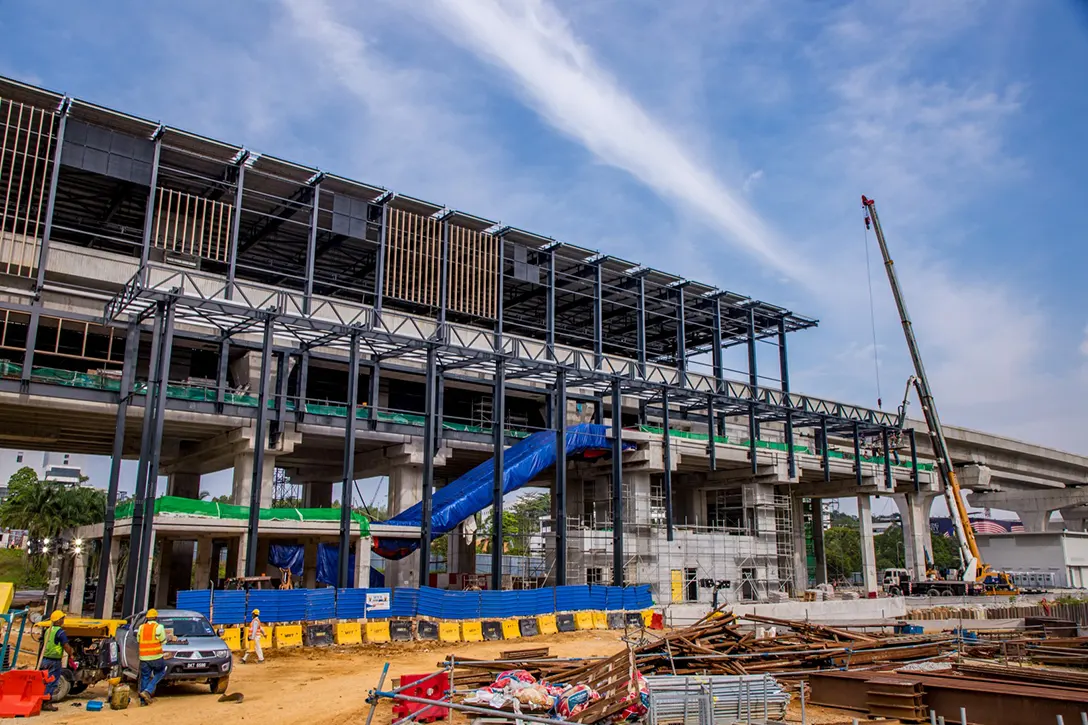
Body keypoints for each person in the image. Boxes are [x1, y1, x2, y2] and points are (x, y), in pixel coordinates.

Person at [41, 610, 76, 712]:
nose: (63, 620)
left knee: (44, 681)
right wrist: (71, 653)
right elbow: (65, 645)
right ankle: (46, 703)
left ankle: (42, 700)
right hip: (54, 661)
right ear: (59, 620)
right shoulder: (60, 632)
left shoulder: (48, 630)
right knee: (52, 682)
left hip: (45, 659)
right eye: (62, 619)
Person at [137, 608, 167, 706]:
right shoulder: (159, 627)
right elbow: (163, 641)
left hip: (144, 657)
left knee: (145, 677)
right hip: (156, 656)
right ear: (156, 618)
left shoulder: (141, 627)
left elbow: (138, 639)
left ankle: (142, 702)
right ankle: (148, 690)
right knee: (162, 671)